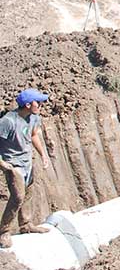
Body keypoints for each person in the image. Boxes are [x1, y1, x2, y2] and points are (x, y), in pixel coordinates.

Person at [0, 88, 51, 248]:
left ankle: (26, 224)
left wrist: (43, 154)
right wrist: (2, 163)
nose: (41, 105)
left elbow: (33, 134)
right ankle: (4, 231)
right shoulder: (8, 121)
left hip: (27, 161)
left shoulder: (34, 118)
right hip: (12, 164)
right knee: (18, 197)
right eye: (38, 102)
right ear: (28, 104)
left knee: (28, 193)